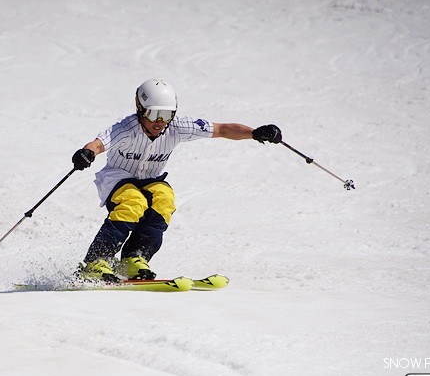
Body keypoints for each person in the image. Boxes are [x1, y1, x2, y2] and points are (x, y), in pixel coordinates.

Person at [71, 79, 281, 282]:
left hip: (151, 179)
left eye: (167, 114)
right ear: (141, 109)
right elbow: (98, 144)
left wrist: (254, 133)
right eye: (154, 114)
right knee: (133, 202)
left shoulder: (178, 127)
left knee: (164, 200)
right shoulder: (126, 129)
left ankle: (134, 258)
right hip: (117, 179)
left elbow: (221, 129)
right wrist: (86, 153)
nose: (160, 121)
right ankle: (95, 261)